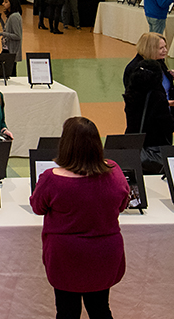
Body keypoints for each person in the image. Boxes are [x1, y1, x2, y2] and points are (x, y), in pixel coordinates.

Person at [30, 116, 129, 319]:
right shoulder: (114, 171)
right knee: (100, 308)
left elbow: (37, 207)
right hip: (105, 252)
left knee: (67, 311)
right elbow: (122, 204)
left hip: (66, 255)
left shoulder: (52, 178)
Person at [124, 59, 174, 148]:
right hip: (155, 146)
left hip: (133, 142)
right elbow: (170, 126)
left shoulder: (131, 93)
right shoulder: (157, 97)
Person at [0, 0, 23, 76]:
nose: (3, 3)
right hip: (7, 49)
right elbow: (6, 30)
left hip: (11, 51)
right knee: (4, 72)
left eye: (6, 2)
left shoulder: (14, 17)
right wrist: (0, 20)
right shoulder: (11, 16)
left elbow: (17, 36)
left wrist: (1, 34)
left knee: (9, 73)